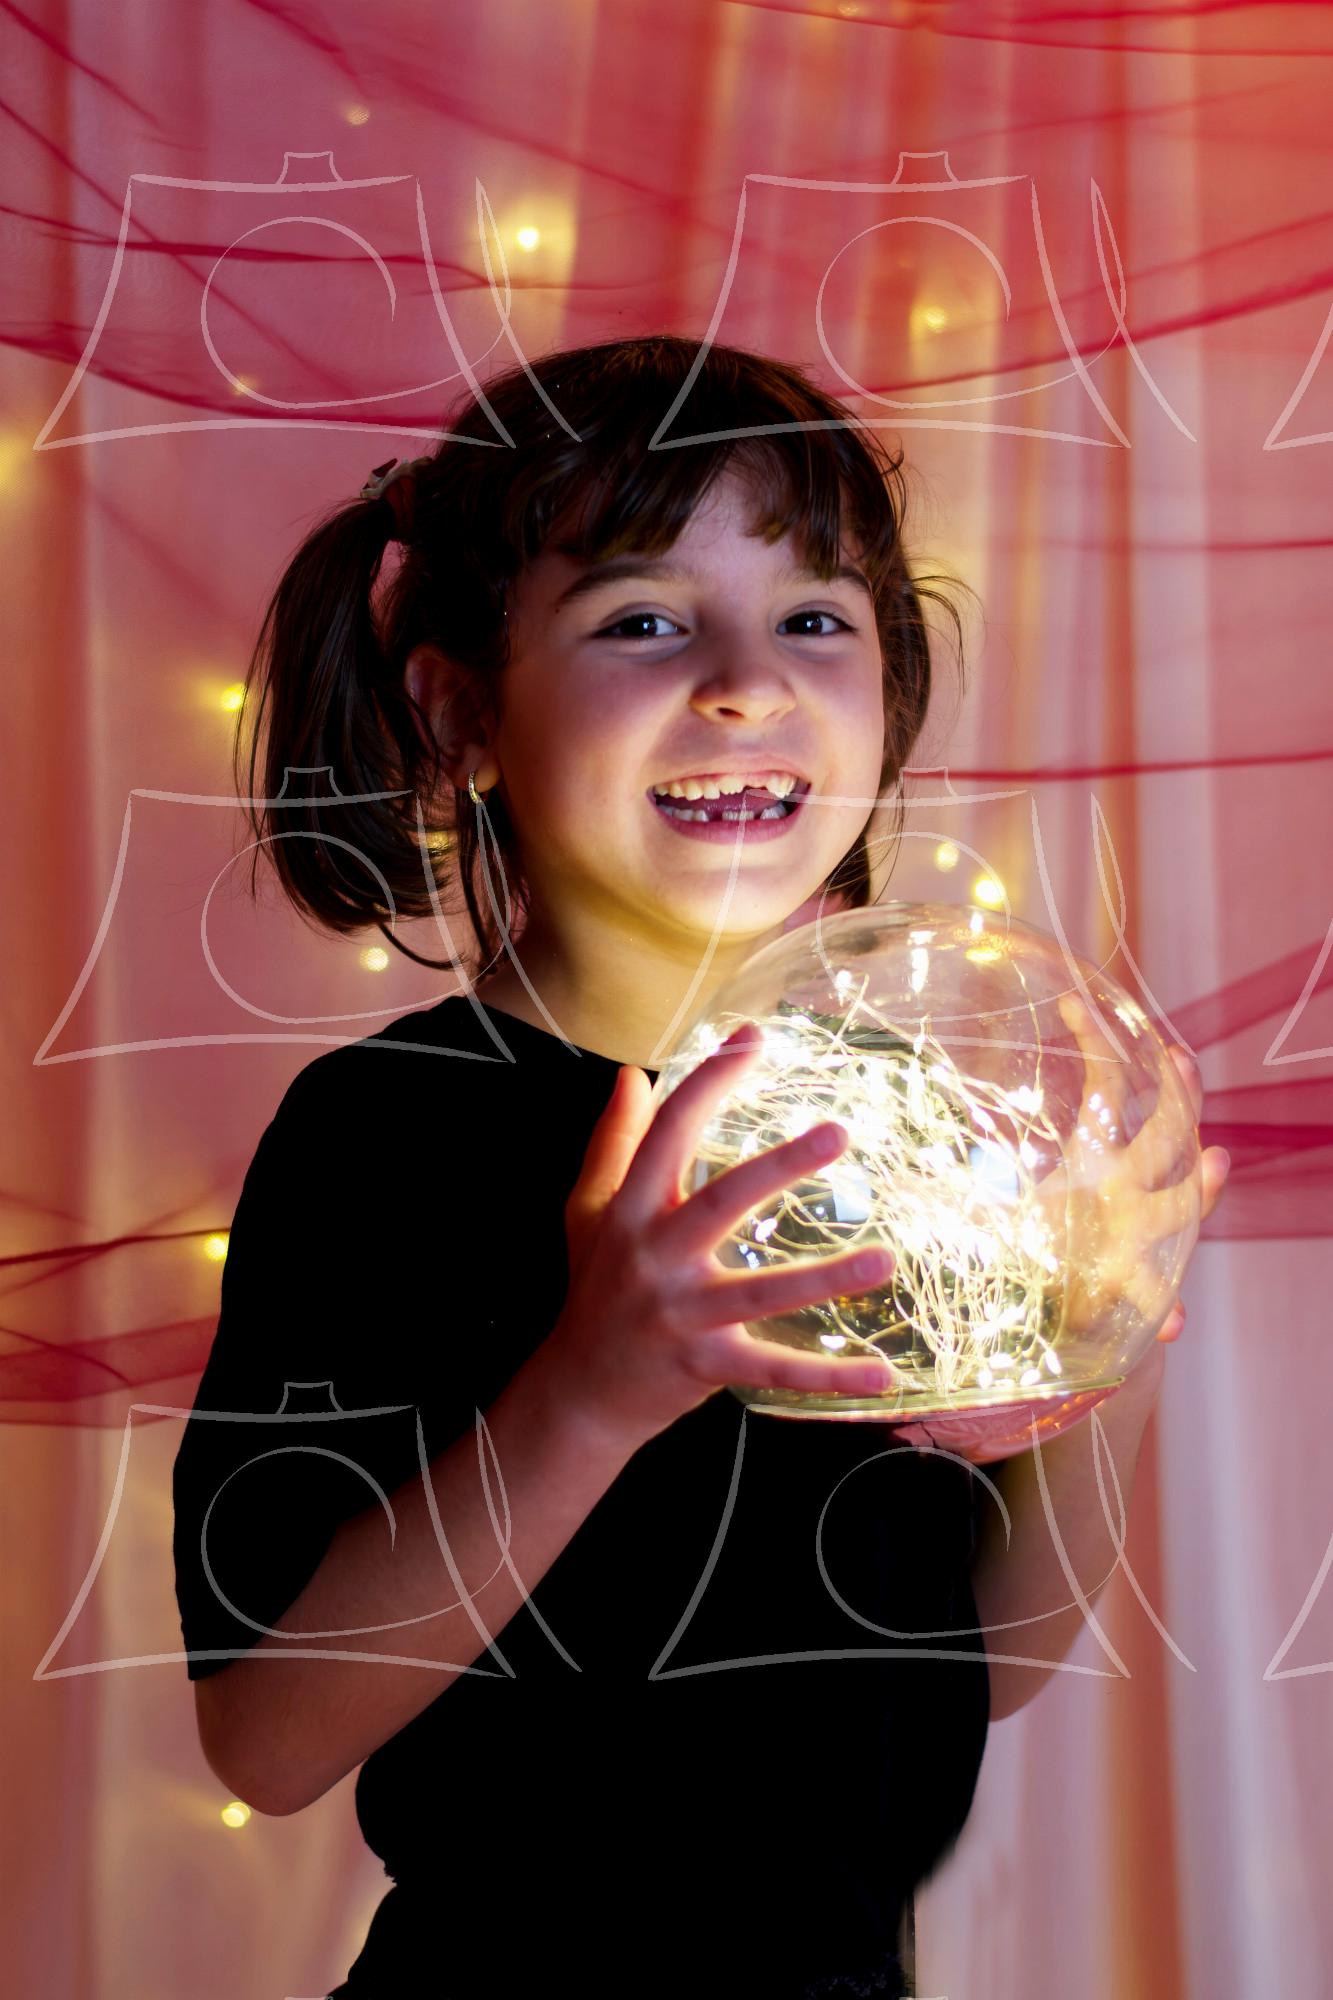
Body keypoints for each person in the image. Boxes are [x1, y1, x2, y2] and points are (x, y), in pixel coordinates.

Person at [171, 334, 1229, 1999]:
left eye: (812, 618)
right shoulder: (388, 1131)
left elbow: (988, 1657)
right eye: (643, 620)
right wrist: (596, 1385)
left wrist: (1106, 1347)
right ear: (461, 709)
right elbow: (267, 1736)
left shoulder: (896, 1126)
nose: (747, 684)